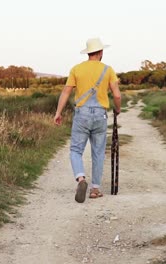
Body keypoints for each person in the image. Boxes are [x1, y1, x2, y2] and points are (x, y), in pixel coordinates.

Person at [54, 38, 122, 203]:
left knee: (76, 150)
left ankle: (81, 179)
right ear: (101, 52)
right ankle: (95, 189)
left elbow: (65, 92)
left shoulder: (76, 69)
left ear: (88, 52)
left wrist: (58, 112)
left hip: (82, 114)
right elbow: (117, 95)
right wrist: (117, 109)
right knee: (98, 153)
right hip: (100, 114)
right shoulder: (108, 70)